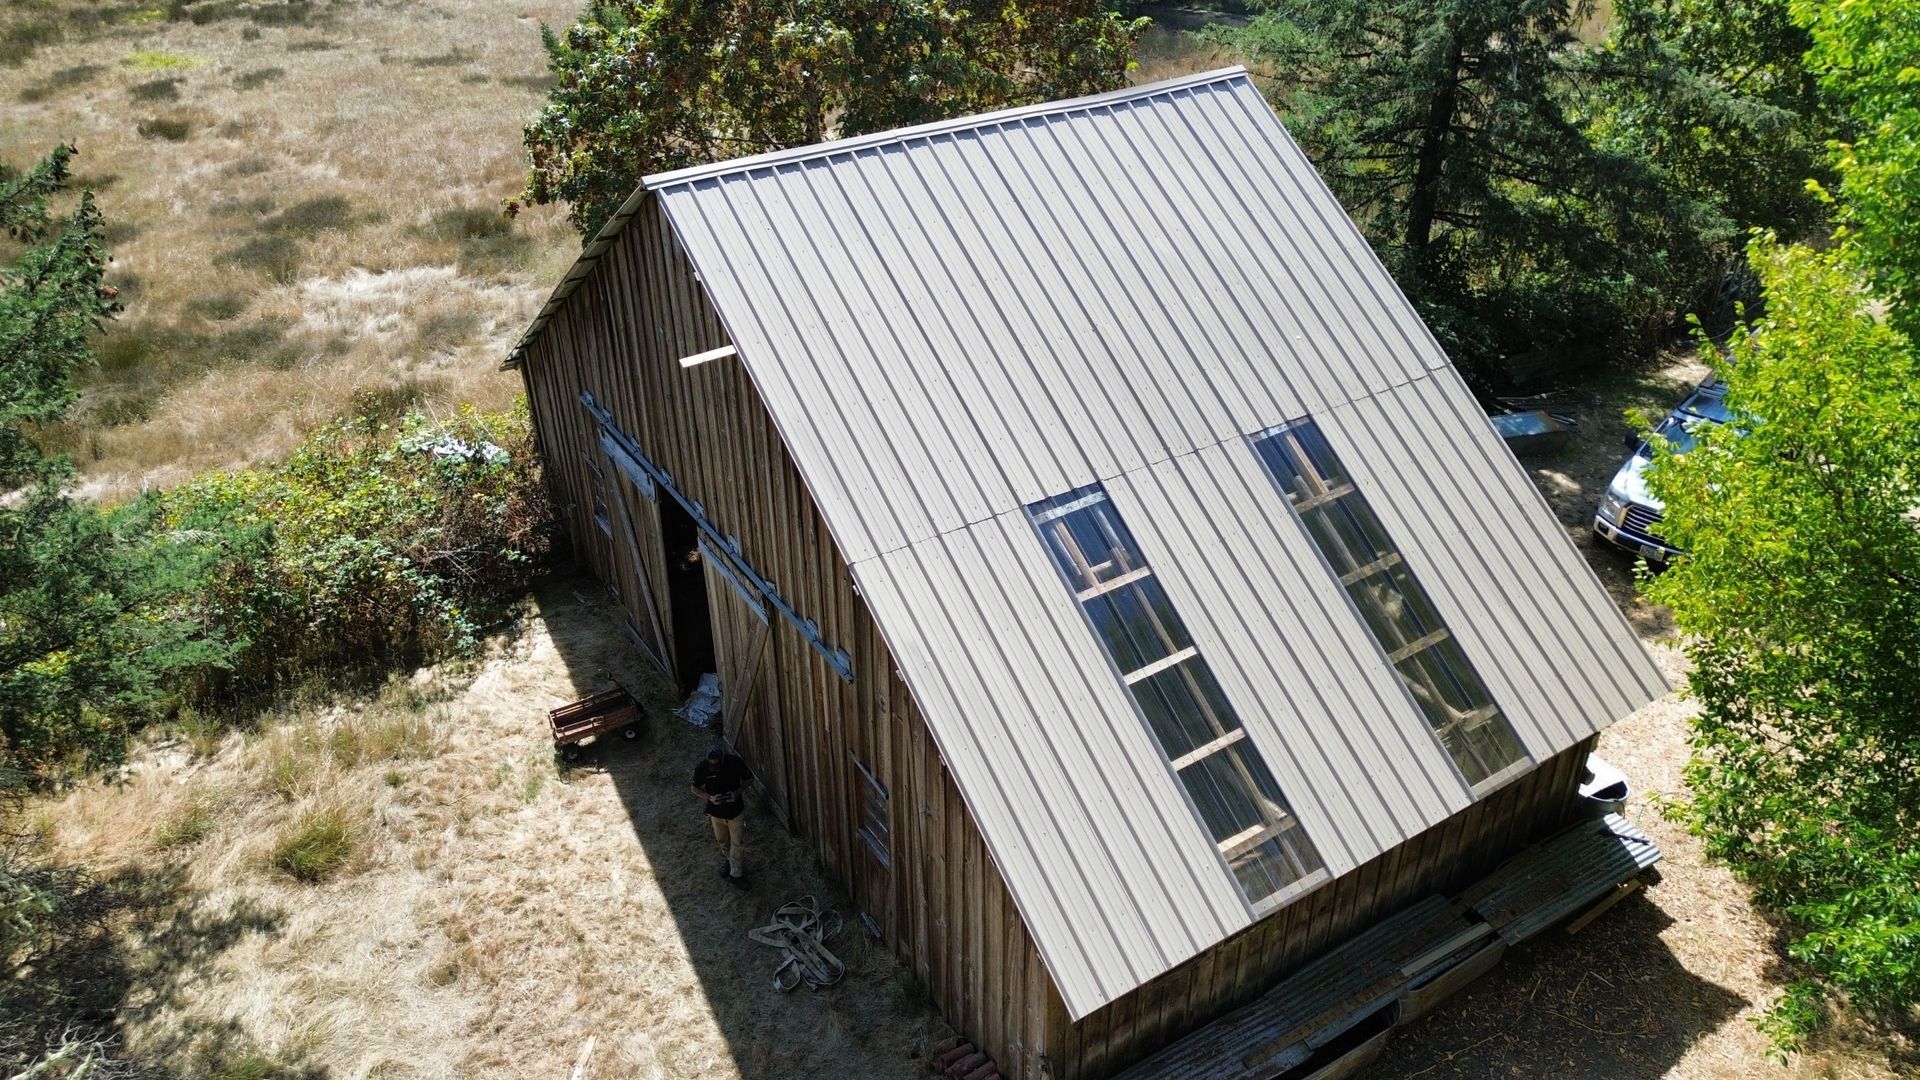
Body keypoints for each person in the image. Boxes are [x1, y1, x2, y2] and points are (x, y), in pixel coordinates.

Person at [692, 741, 749, 887]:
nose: (715, 768)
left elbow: (749, 779)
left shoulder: (735, 763)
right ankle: (730, 861)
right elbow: (695, 788)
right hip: (715, 812)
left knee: (737, 842)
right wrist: (710, 798)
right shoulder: (702, 768)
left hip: (735, 810)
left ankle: (736, 874)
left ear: (723, 758)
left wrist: (736, 793)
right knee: (722, 840)